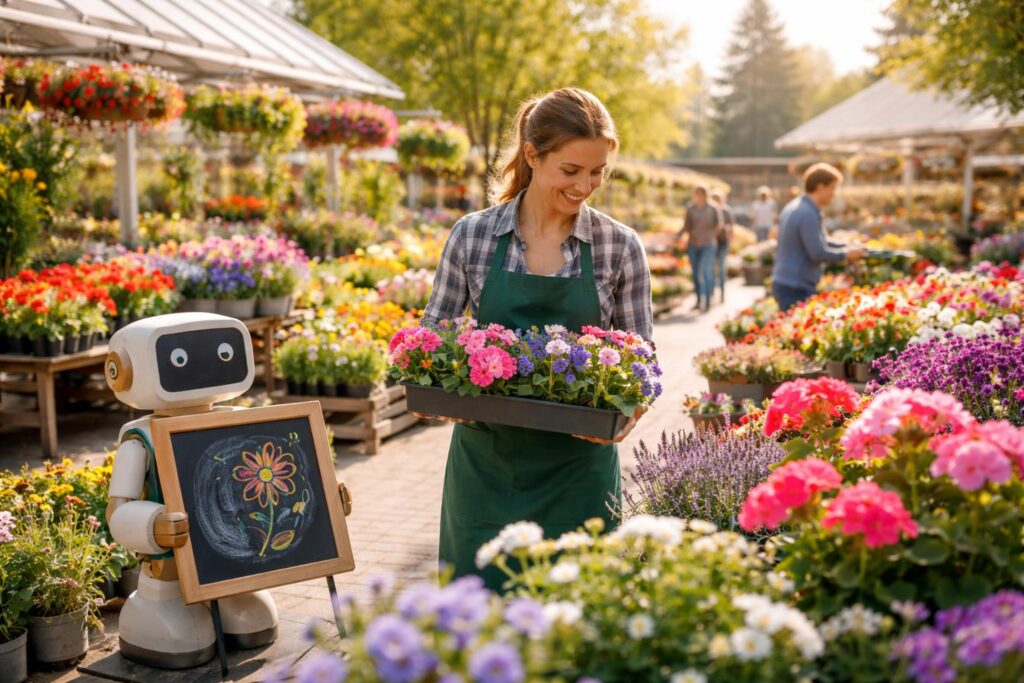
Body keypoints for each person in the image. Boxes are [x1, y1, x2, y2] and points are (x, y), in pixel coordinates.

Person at [420, 87, 653, 591]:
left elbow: (644, 364)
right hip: (487, 468)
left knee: (574, 630)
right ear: (532, 155)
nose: (586, 185)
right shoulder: (473, 236)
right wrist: (439, 395)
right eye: (571, 171)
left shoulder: (619, 247)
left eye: (597, 172)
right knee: (478, 631)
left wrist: (628, 416)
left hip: (579, 472)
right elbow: (430, 338)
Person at [772, 163, 865, 311]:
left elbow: (822, 240)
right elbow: (817, 252)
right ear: (820, 187)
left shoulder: (797, 206)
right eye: (832, 188)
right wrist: (846, 254)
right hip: (795, 287)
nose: (834, 193)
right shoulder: (807, 213)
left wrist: (847, 246)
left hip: (787, 282)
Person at [676, 185, 719, 312]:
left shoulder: (713, 208)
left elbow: (718, 225)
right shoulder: (691, 208)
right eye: (697, 194)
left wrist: (709, 236)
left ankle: (708, 300)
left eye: (701, 194)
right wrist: (678, 235)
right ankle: (699, 300)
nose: (699, 196)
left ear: (706, 195)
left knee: (705, 271)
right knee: (695, 273)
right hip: (693, 244)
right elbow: (686, 225)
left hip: (708, 244)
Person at [710, 189, 734, 304]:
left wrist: (730, 239)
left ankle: (722, 293)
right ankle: (712, 293)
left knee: (721, 267)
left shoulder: (726, 210)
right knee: (712, 268)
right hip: (711, 242)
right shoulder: (710, 210)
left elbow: (731, 227)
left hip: (722, 241)